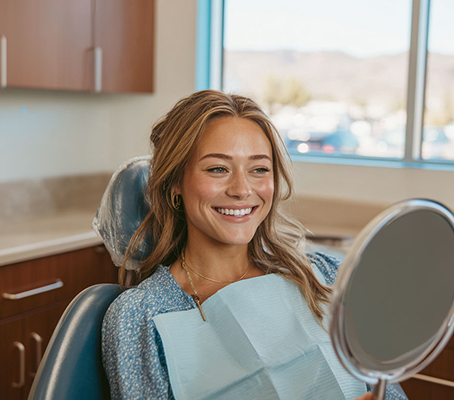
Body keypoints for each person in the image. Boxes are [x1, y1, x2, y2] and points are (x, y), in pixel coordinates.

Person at [102, 90, 408, 400]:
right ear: (175, 183)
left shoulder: (324, 278)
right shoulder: (141, 316)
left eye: (259, 169)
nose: (242, 189)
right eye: (218, 169)